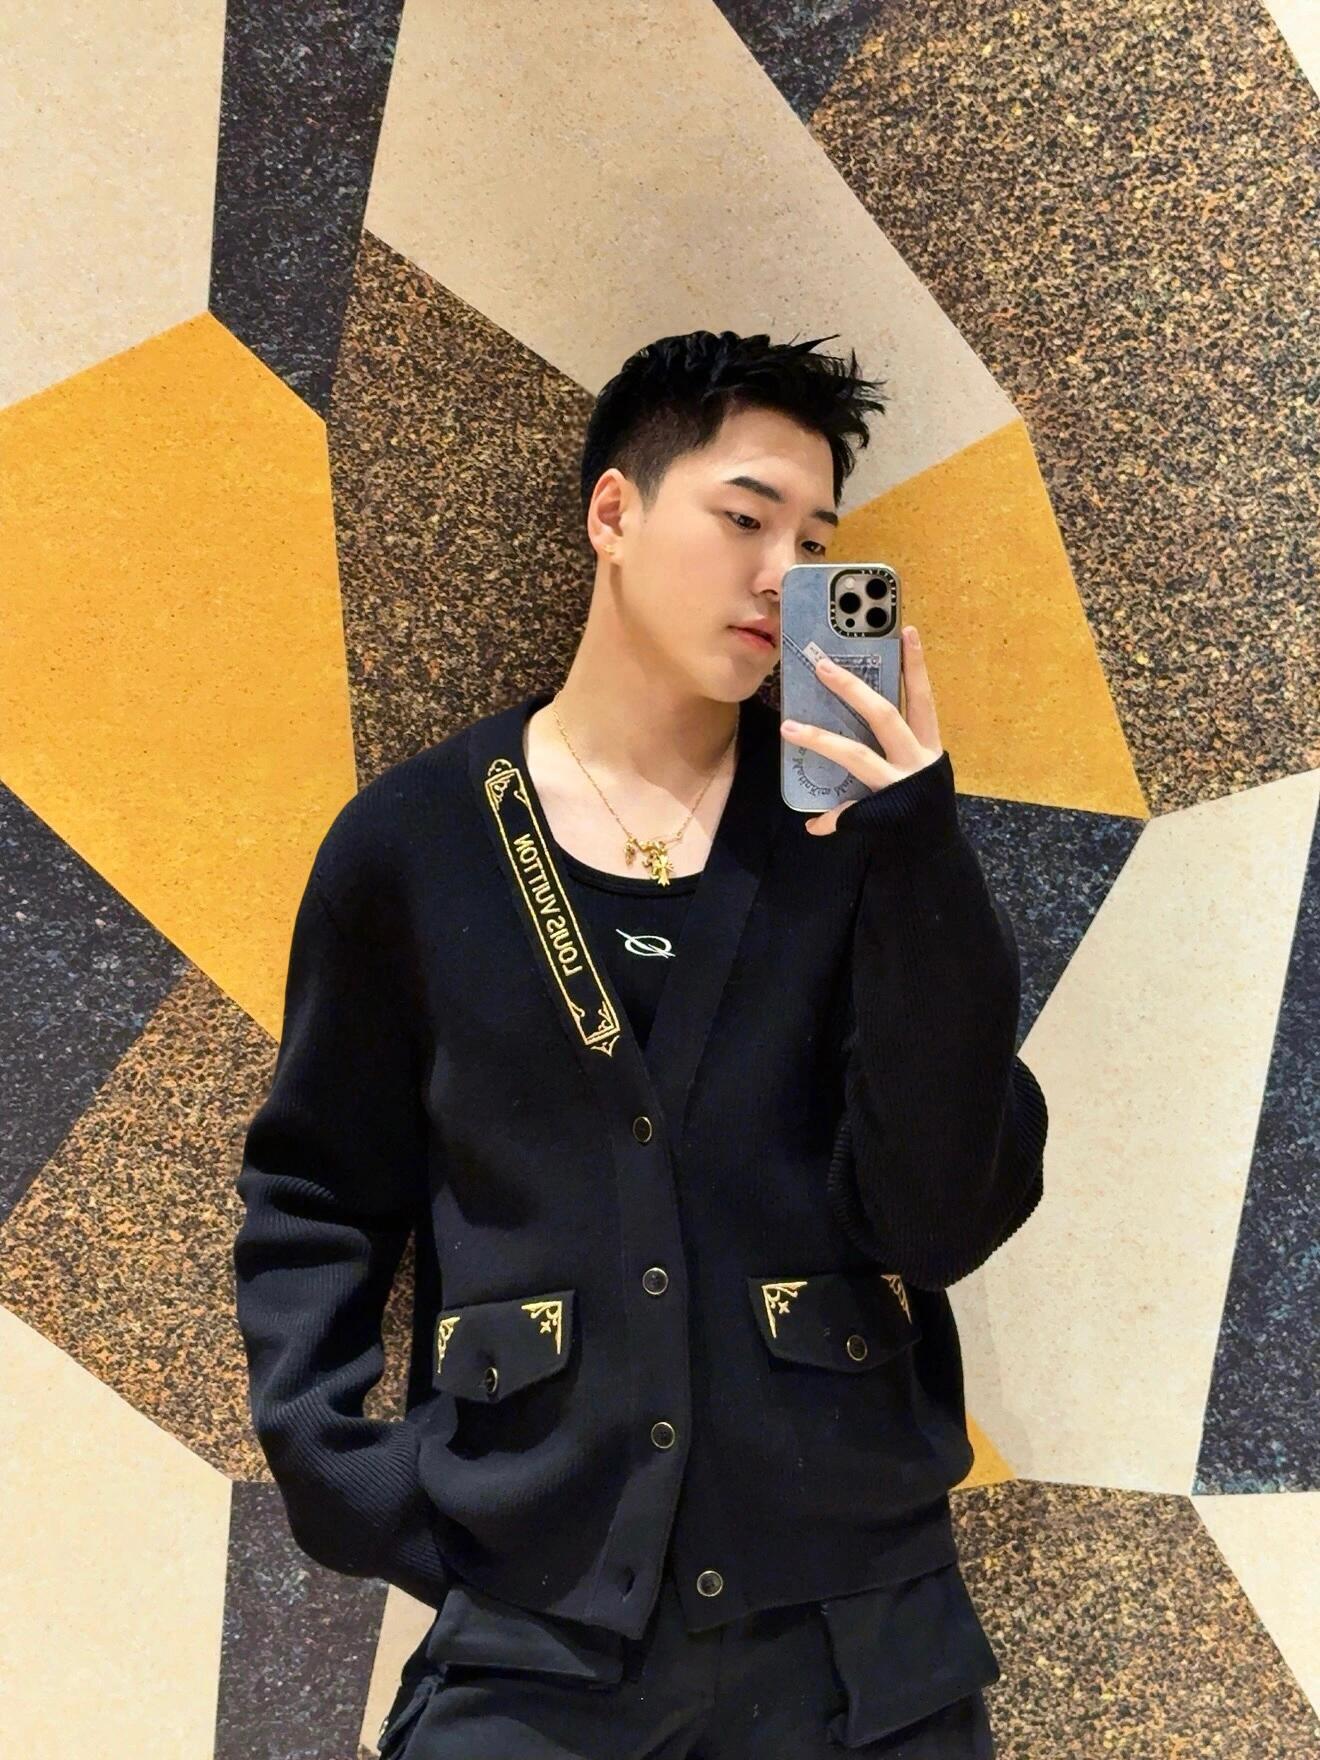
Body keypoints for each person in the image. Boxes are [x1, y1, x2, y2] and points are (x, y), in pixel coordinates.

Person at [233, 329, 1049, 1757]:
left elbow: (940, 1217)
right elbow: (317, 1190)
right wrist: (356, 1477)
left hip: (864, 1646)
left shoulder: (857, 842)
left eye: (815, 543)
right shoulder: (413, 846)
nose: (781, 572)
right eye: (745, 518)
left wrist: (919, 846)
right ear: (613, 513)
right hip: (533, 1636)